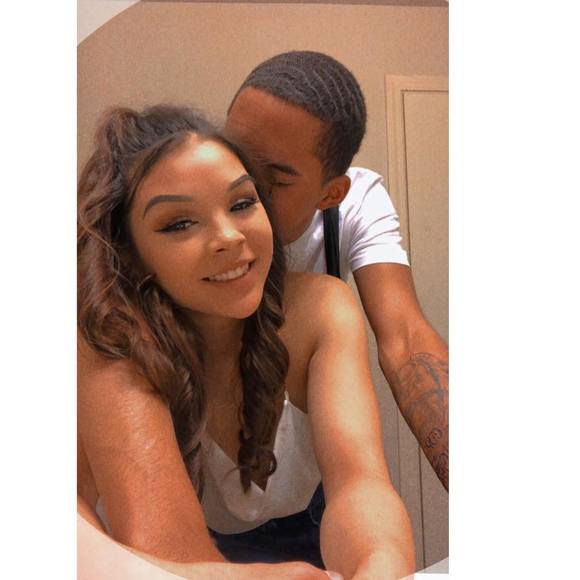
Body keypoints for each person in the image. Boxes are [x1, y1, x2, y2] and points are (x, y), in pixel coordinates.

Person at [77, 104, 415, 579]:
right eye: (178, 223)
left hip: (308, 527)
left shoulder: (323, 309)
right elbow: (172, 554)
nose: (229, 237)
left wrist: (381, 563)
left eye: (241, 203)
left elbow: (360, 484)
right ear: (129, 253)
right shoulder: (108, 342)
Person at [224, 51, 449, 491]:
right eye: (233, 156)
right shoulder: (181, 188)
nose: (241, 188)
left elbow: (405, 339)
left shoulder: (357, 203)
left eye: (274, 181)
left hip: (306, 484)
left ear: (331, 193)